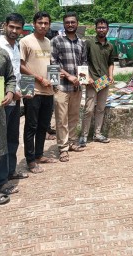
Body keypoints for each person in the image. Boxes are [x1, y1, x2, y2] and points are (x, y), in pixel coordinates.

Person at [20, 11, 55, 173]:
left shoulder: (48, 42)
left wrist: (54, 82)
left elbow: (49, 64)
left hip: (47, 90)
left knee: (43, 125)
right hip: (30, 87)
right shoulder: (26, 41)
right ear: (34, 24)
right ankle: (30, 160)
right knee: (31, 125)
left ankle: (39, 155)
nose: (43, 26)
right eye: (40, 23)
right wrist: (40, 79)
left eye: (46, 23)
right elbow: (21, 65)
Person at [50, 12, 88, 162]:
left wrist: (81, 79)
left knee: (74, 116)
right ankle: (63, 148)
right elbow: (53, 63)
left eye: (73, 22)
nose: (70, 25)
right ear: (64, 24)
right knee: (61, 119)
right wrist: (68, 76)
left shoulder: (81, 43)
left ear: (77, 23)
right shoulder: (56, 41)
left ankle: (72, 142)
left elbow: (84, 62)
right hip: (61, 87)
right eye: (67, 22)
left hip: (76, 87)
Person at [0, 13, 29, 182]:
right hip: (2, 102)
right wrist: (9, 92)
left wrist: (22, 91)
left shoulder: (16, 46)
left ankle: (10, 171)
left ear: (21, 30)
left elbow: (15, 74)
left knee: (12, 139)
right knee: (1, 142)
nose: (14, 30)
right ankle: (2, 179)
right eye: (11, 27)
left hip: (16, 100)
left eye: (18, 28)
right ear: (5, 25)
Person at [80, 18, 115, 145]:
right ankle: (83, 136)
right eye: (99, 27)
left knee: (100, 108)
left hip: (104, 81)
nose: (101, 29)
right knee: (88, 109)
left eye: (103, 27)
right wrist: (87, 77)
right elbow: (83, 61)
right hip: (92, 81)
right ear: (96, 29)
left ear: (107, 29)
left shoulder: (110, 46)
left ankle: (97, 134)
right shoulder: (89, 43)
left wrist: (111, 75)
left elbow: (111, 63)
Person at [0, 30, 18, 199]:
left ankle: (3, 180)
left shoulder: (2, 54)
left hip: (0, 109)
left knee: (2, 143)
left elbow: (11, 78)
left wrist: (10, 92)